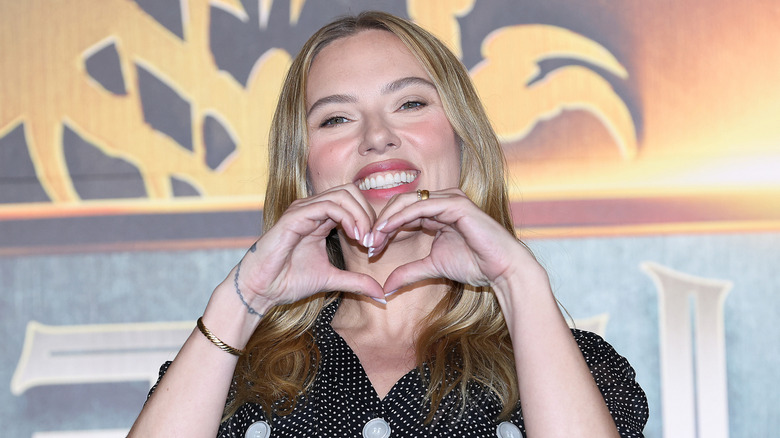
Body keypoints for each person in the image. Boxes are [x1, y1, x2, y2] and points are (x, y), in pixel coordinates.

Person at [130, 11, 648, 438]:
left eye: (410, 104)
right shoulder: (233, 369)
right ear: (304, 168)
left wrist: (518, 282)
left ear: (462, 142)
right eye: (336, 118)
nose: (378, 136)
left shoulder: (571, 362)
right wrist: (243, 299)